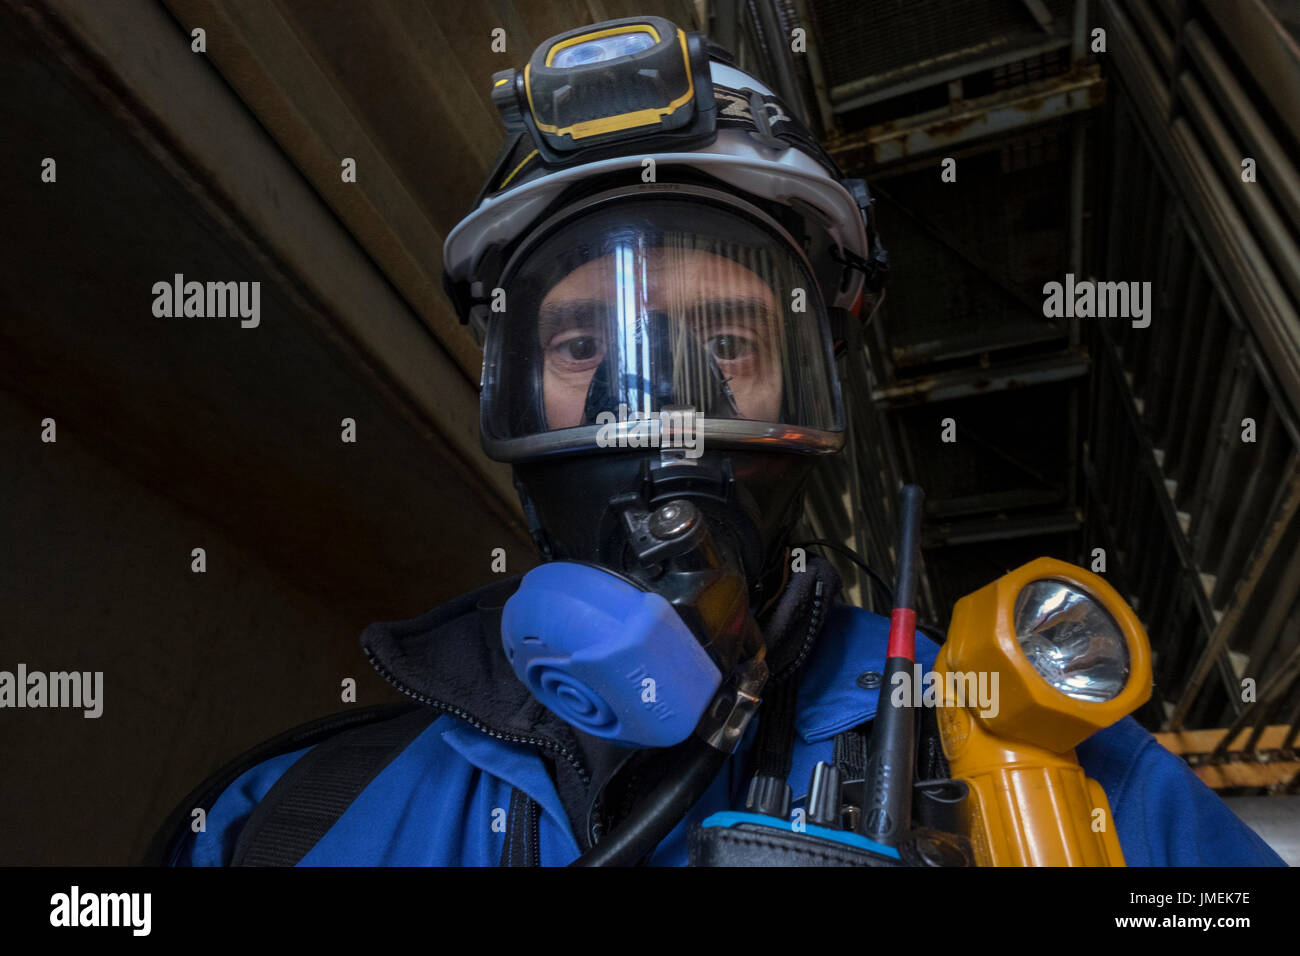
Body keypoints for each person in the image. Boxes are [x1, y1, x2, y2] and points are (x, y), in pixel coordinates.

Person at [153, 16, 1283, 868]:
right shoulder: (290, 817)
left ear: (813, 384)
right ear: (510, 391)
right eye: (585, 338)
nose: (653, 402)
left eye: (729, 339)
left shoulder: (1028, 762)